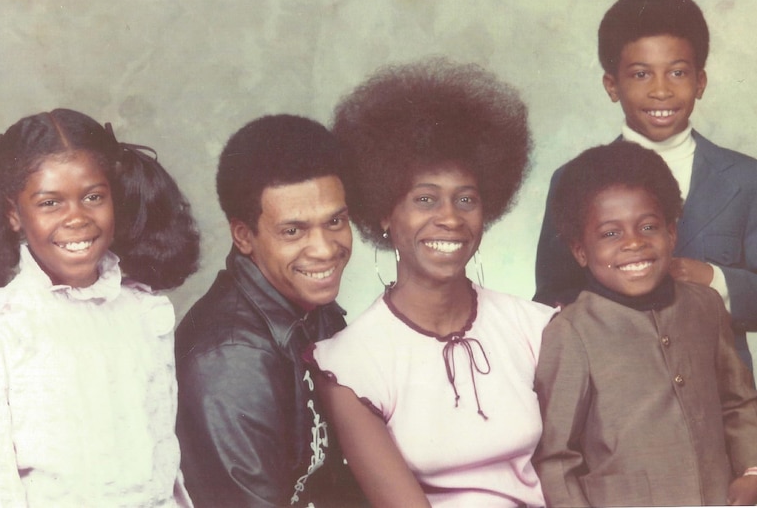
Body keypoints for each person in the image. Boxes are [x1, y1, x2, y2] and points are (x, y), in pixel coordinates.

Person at [305, 58, 558, 508]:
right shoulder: (349, 365)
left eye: (466, 199)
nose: (449, 218)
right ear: (384, 212)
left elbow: (576, 470)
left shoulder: (537, 329)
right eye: (425, 199)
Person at [0, 109, 201, 506]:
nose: (77, 217)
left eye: (93, 197)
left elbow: (162, 463)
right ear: (13, 214)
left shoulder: (143, 311)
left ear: (116, 197)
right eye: (50, 203)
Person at [533, 0, 757, 369]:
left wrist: (712, 278)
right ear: (611, 85)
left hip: (719, 401)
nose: (660, 90)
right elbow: (552, 299)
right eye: (640, 74)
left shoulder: (747, 179)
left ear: (700, 82)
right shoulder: (573, 179)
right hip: (616, 392)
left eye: (677, 72)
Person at [533, 141, 757, 506]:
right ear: (580, 251)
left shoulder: (706, 306)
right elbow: (556, 459)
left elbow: (739, 402)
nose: (634, 243)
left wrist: (752, 471)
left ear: (672, 233)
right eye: (610, 233)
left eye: (648, 226)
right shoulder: (571, 332)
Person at [175, 114, 364, 507]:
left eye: (335, 221)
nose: (325, 248)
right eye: (293, 231)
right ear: (244, 235)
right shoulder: (231, 358)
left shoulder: (315, 309)